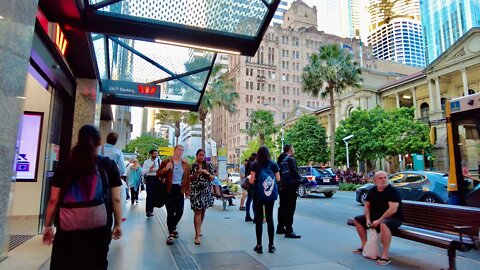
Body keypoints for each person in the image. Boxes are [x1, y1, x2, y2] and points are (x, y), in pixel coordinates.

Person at [42, 125, 122, 269]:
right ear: (99, 142)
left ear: (79, 141)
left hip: (67, 227)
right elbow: (116, 199)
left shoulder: (66, 165)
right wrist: (117, 224)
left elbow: (53, 199)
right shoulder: (108, 165)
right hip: (99, 228)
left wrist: (48, 226)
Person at [353, 171, 403, 266]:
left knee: (384, 224)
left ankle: (385, 256)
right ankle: (364, 245)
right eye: (380, 178)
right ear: (375, 181)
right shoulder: (373, 191)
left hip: (394, 218)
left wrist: (379, 221)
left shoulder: (392, 191)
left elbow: (392, 209)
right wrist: (367, 219)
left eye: (385, 177)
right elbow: (367, 206)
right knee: (357, 220)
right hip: (375, 217)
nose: (383, 180)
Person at [249, 146, 280, 254]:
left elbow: (252, 181)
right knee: (270, 218)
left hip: (258, 194)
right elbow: (278, 179)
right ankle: (271, 245)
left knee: (259, 219)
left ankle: (259, 245)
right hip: (270, 195)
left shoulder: (255, 164)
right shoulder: (273, 164)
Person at [157, 145, 190, 245]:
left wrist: (188, 191)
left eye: (182, 150)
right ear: (174, 151)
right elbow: (158, 174)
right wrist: (166, 169)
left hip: (180, 190)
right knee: (170, 212)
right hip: (169, 189)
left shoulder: (185, 164)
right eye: (179, 149)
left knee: (180, 212)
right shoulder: (167, 162)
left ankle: (173, 226)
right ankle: (170, 234)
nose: (180, 152)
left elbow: (187, 178)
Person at [189, 149, 215, 245]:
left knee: (203, 210)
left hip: (206, 191)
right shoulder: (192, 166)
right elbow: (189, 179)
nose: (201, 156)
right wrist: (197, 173)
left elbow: (212, 178)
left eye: (203, 155)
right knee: (198, 211)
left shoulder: (208, 166)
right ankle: (197, 236)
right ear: (196, 156)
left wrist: (205, 172)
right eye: (199, 155)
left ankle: (199, 229)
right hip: (196, 191)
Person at [276, 144, 302, 238]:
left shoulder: (279, 160)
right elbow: (294, 173)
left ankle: (280, 228)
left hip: (281, 187)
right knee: (290, 209)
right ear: (290, 150)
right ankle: (289, 230)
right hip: (290, 187)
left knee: (282, 207)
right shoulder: (290, 159)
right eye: (293, 149)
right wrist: (300, 179)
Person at [142, 149, 161, 217]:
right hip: (150, 178)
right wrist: (149, 169)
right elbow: (143, 172)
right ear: (151, 154)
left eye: (157, 153)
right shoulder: (146, 162)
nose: (156, 155)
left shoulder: (159, 161)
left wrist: (155, 169)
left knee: (155, 195)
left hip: (157, 178)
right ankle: (148, 211)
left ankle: (151, 209)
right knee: (149, 194)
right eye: (155, 154)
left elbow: (160, 169)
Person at [245, 153, 257, 222]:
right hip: (253, 184)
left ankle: (247, 215)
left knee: (249, 200)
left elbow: (246, 174)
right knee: (254, 200)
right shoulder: (254, 164)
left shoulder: (248, 163)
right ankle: (255, 216)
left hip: (249, 184)